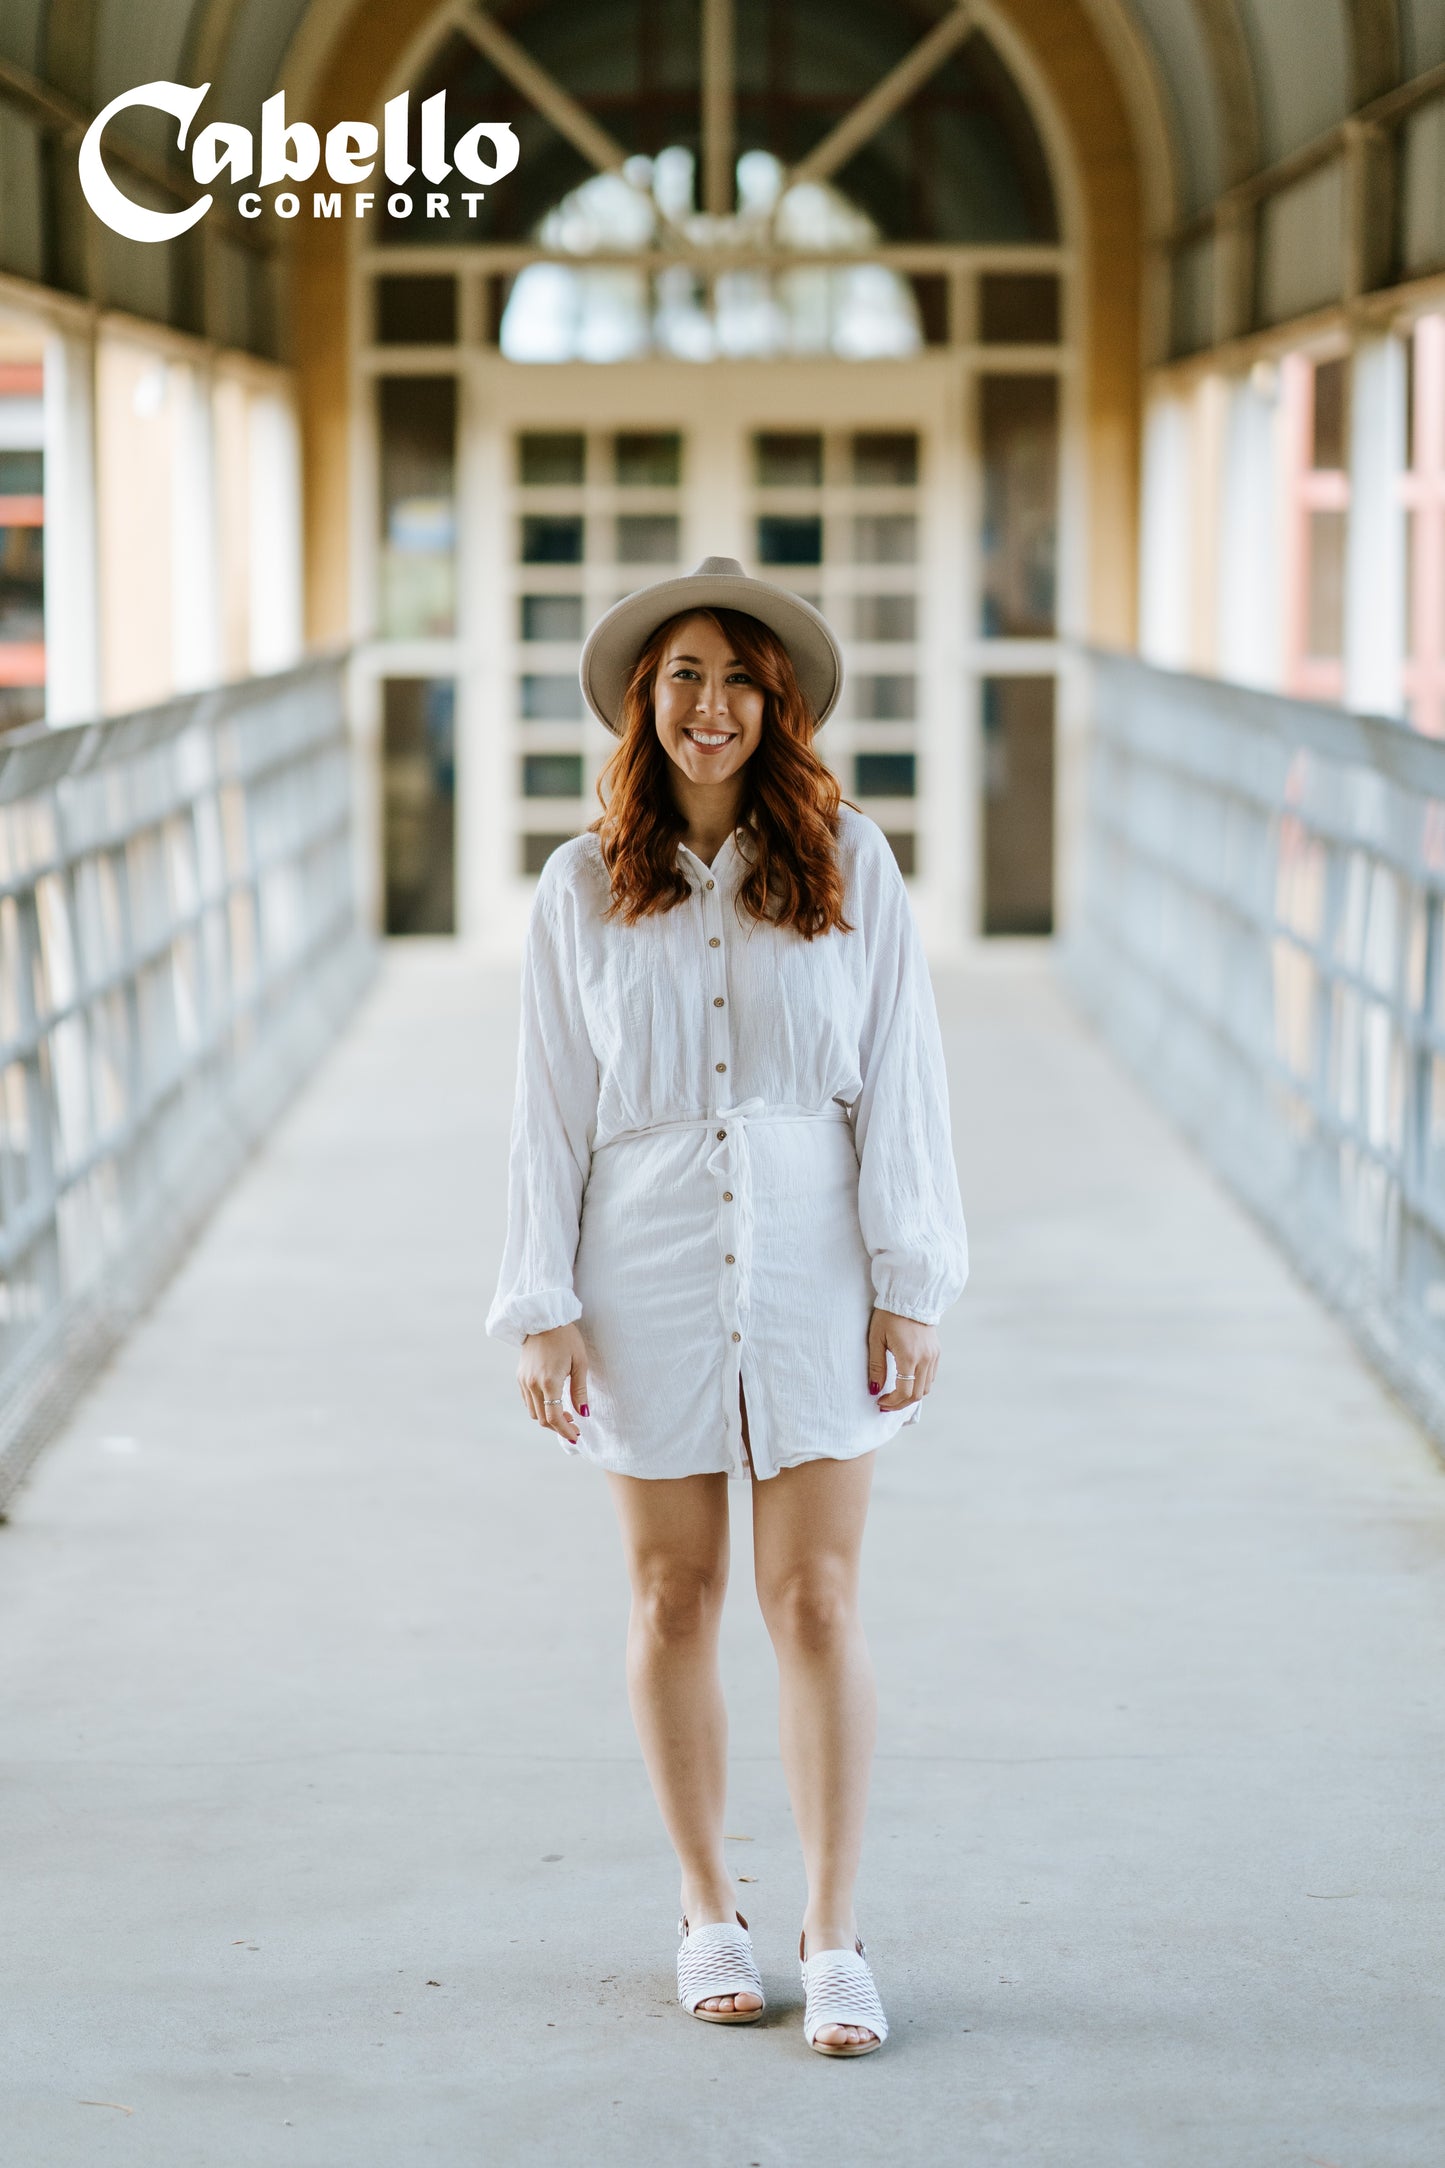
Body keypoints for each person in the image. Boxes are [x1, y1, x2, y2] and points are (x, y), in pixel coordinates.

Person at [486, 555, 968, 2056]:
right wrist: (540, 1300)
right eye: (684, 676)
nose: (711, 704)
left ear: (778, 705)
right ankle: (707, 1906)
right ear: (646, 701)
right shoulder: (578, 885)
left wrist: (910, 1279)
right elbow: (543, 1107)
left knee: (813, 1600)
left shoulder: (850, 861)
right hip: (640, 1268)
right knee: (670, 1596)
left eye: (739, 679)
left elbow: (901, 1077)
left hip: (817, 1256)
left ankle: (831, 1929)